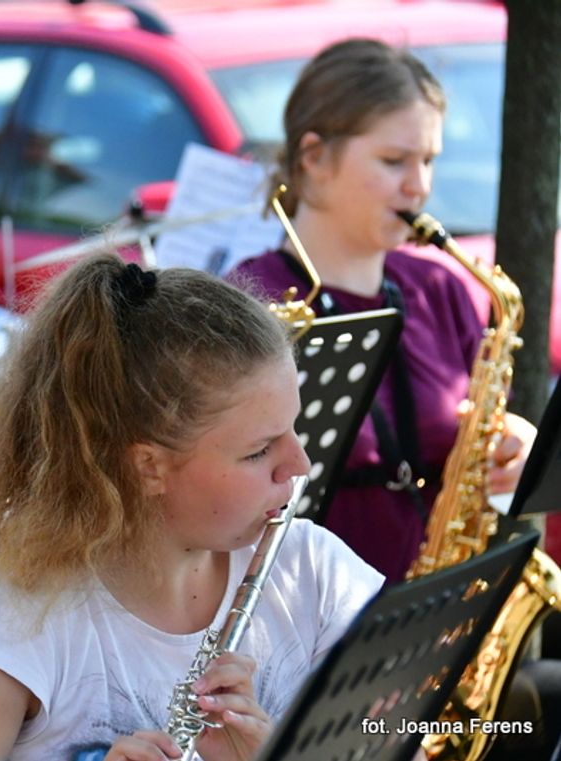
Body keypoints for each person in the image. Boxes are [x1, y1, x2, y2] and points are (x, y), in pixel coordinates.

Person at [0, 253, 384, 761]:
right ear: (148, 466)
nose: (298, 465)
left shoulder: (315, 573)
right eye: (258, 451)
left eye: (292, 430)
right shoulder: (19, 629)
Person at [229, 37, 558, 760]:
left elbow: (471, 452)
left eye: (429, 161)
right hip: (308, 649)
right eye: (394, 161)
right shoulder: (254, 303)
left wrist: (513, 457)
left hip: (432, 629)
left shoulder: (442, 288)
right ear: (314, 157)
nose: (419, 187)